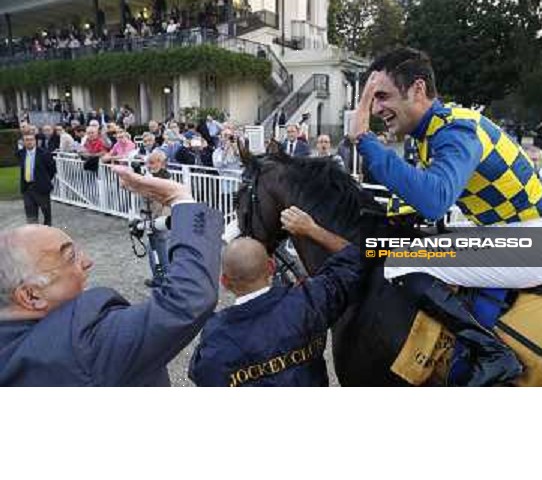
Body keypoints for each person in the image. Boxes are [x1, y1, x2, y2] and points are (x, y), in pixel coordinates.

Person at [350, 47, 542, 386]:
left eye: (381, 96)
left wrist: (364, 139)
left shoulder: (456, 129)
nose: (375, 109)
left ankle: (493, 354)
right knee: (383, 248)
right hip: (507, 235)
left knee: (400, 262)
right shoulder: (431, 134)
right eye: (371, 101)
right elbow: (416, 197)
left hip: (532, 243)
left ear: (418, 89)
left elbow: (433, 200)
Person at [0, 168, 222, 386]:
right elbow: (187, 299)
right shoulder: (81, 346)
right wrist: (180, 198)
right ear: (31, 295)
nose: (88, 262)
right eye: (70, 257)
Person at [189, 206, 362, 386]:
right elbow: (355, 257)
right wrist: (312, 229)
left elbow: (202, 374)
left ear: (224, 282)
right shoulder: (310, 300)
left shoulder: (218, 336)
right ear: (271, 267)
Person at [143, 151, 172, 289]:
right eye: (148, 163)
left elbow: (166, 203)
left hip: (160, 221)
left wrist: (161, 221)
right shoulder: (151, 178)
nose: (149, 166)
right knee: (152, 251)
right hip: (151, 219)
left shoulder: (164, 179)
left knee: (162, 252)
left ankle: (166, 281)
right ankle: (158, 278)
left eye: (152, 163)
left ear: (161, 163)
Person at [17, 131, 56, 226]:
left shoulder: (44, 153)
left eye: (31, 140)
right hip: (27, 188)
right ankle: (33, 233)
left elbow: (52, 169)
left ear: (35, 141)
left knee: (46, 213)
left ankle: (48, 233)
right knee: (30, 214)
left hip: (41, 187)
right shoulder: (20, 153)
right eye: (26, 140)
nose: (29, 142)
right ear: (23, 142)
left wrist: (44, 179)